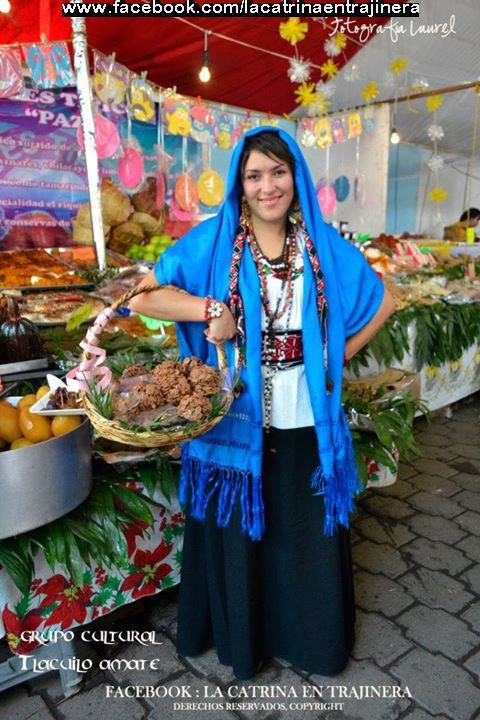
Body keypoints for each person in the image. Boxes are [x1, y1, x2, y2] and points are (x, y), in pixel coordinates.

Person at [129, 127, 395, 680]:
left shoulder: (319, 245)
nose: (267, 186)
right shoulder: (215, 240)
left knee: (299, 529)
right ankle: (245, 641)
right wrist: (207, 310)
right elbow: (144, 295)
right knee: (244, 532)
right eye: (255, 175)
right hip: (236, 421)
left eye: (278, 172)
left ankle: (308, 639)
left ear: (295, 177)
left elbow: (385, 298)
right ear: (240, 183)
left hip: (304, 417)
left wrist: (335, 357)